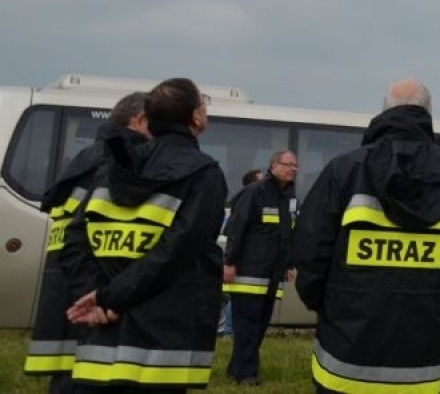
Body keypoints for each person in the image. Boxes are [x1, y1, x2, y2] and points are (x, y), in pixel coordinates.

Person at [291, 79, 440, 394]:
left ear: (384, 112)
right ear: (428, 113)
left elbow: (309, 252)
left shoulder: (345, 169)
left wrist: (328, 308)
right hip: (420, 362)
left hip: (344, 356)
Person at [58, 77, 226, 391]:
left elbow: (73, 241)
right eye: (203, 103)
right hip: (163, 344)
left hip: (101, 336)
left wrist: (94, 296)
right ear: (196, 117)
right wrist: (106, 298)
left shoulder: (111, 168)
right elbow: (175, 254)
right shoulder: (204, 174)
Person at [23, 90, 148, 393]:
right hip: (88, 289)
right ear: (140, 120)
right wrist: (101, 295)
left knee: (69, 375)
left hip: (68, 284)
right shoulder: (116, 160)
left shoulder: (88, 156)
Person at [221, 150, 298, 385]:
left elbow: (287, 234)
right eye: (288, 165)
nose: (293, 169)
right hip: (249, 272)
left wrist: (289, 263)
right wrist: (230, 263)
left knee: (260, 325)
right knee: (247, 325)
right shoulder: (255, 192)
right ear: (274, 165)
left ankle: (237, 368)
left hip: (273, 273)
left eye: (296, 166)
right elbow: (236, 228)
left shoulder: (288, 198)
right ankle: (246, 374)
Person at [218, 169, 263, 338]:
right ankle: (228, 331)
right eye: (261, 181)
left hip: (246, 257)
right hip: (239, 257)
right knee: (233, 295)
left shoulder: (252, 202)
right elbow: (235, 233)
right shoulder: (247, 201)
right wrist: (230, 261)